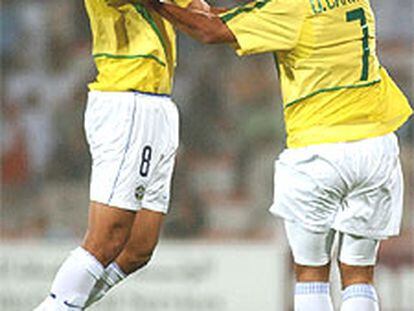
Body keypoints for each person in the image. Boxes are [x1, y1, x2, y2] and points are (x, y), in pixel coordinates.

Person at [145, 0, 413, 310]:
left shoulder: (291, 7)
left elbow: (209, 31)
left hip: (319, 150)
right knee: (359, 274)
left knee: (311, 273)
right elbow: (248, 17)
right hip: (374, 145)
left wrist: (157, 4)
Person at [34, 0, 208, 309]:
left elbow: (201, 17)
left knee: (138, 248)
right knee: (106, 238)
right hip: (127, 100)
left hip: (159, 104)